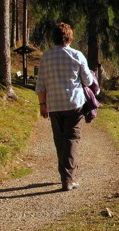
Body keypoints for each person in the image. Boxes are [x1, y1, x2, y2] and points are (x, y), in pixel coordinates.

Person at [35, 22, 94, 191]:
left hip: (54, 105)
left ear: (54, 37)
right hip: (74, 104)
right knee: (71, 140)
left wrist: (42, 105)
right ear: (69, 37)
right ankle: (68, 179)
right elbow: (88, 81)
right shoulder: (77, 55)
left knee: (60, 140)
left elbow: (41, 85)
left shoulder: (46, 57)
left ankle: (65, 174)